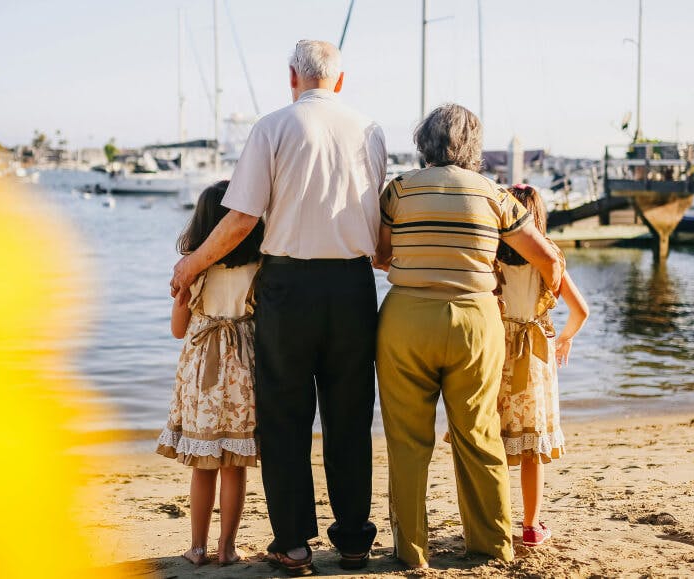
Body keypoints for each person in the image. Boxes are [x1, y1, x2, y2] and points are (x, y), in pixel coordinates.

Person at [169, 40, 385, 575]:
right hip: (354, 285)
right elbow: (379, 231)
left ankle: (292, 544)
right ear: (340, 79)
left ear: (292, 76)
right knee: (350, 414)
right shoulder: (371, 130)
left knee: (287, 418)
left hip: (288, 286)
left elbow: (241, 219)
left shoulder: (272, 127)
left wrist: (191, 263)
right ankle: (355, 539)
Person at [373, 103, 563, 569]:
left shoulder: (397, 191)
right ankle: (490, 545)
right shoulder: (495, 196)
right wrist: (544, 305)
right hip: (476, 324)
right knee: (479, 436)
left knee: (407, 442)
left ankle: (411, 550)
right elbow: (548, 260)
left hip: (405, 320)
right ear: (473, 146)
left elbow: (379, 255)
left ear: (424, 142)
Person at [156, 180, 264, 566]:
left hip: (202, 368)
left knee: (203, 467)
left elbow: (178, 330)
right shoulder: (259, 264)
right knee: (235, 464)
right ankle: (228, 548)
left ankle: (197, 547)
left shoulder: (193, 269)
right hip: (243, 366)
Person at [494, 184, 588, 547]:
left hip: (499, 350)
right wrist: (564, 338)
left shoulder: (491, 258)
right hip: (536, 356)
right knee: (532, 450)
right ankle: (532, 527)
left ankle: (496, 522)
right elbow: (581, 311)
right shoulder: (550, 259)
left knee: (496, 443)